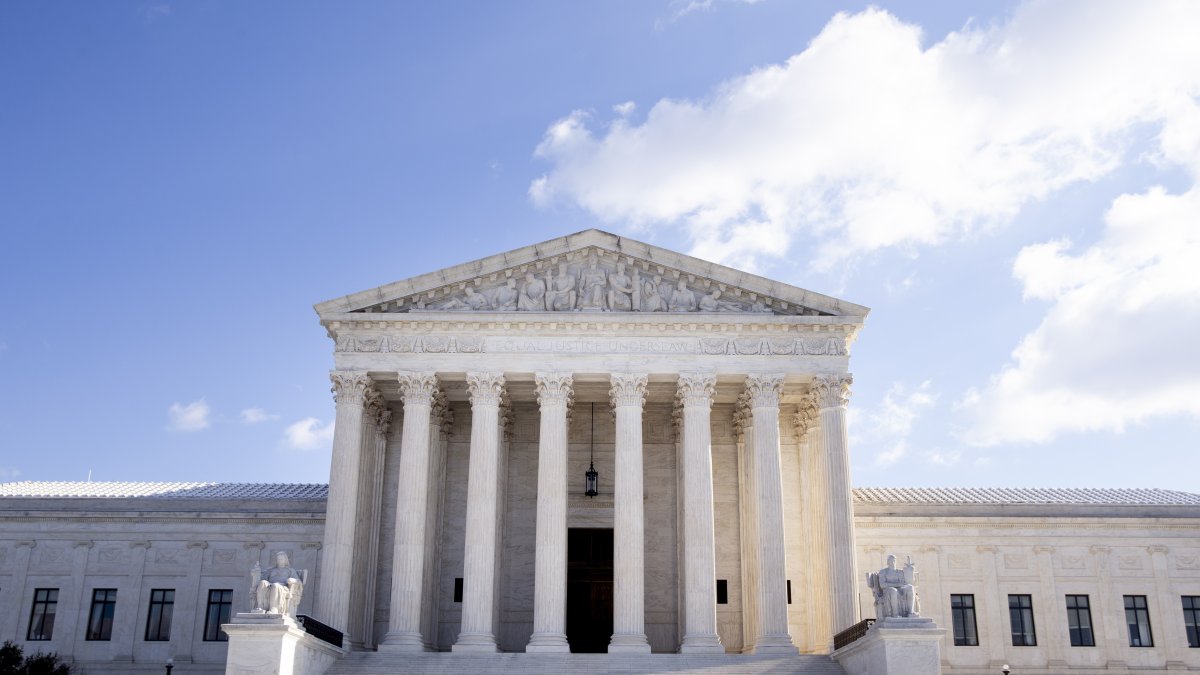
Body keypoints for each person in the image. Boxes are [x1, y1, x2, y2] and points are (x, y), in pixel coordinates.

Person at [251, 551, 306, 617]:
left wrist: (292, 580)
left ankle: (274, 608)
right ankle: (260, 607)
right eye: (278, 559)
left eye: (281, 559)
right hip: (270, 585)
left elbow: (298, 581)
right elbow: (261, 578)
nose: (280, 561)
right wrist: (256, 572)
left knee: (276, 586)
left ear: (285, 560)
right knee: (263, 583)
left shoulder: (290, 570)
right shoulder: (271, 570)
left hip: (283, 587)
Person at [866, 554, 918, 619]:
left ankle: (911, 612)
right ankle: (895, 614)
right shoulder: (883, 572)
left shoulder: (900, 572)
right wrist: (897, 584)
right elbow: (883, 585)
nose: (893, 562)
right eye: (891, 561)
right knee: (893, 590)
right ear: (888, 562)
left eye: (894, 561)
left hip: (900, 589)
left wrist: (909, 570)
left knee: (910, 587)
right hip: (887, 591)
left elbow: (904, 583)